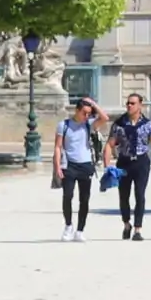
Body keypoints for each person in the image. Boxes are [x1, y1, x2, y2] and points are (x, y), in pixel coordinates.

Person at [104, 93, 151, 242]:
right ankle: (127, 224)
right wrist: (108, 167)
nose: (129, 106)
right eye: (128, 103)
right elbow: (109, 145)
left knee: (140, 195)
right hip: (124, 162)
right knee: (124, 196)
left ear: (140, 105)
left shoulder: (147, 124)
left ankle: (137, 229)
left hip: (141, 162)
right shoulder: (119, 124)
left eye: (133, 103)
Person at [53, 95, 109, 242]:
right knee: (68, 196)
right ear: (76, 111)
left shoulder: (88, 124)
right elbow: (58, 147)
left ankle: (80, 230)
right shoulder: (64, 125)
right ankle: (68, 226)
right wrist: (57, 166)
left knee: (84, 199)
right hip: (69, 165)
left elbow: (105, 118)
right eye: (84, 112)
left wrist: (93, 104)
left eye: (88, 113)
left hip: (85, 165)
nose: (86, 116)